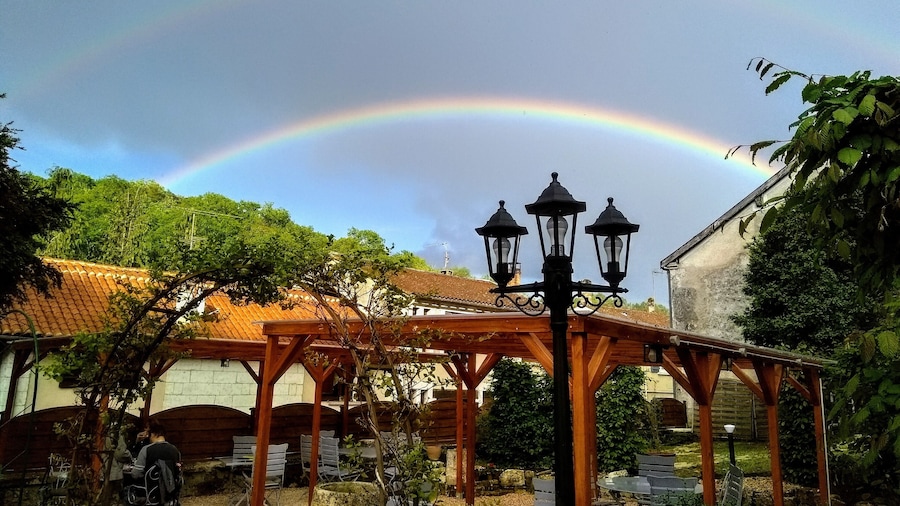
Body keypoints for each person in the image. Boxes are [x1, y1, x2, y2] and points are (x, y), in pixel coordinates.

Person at [131, 419, 181, 503]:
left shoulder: (146, 450)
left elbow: (136, 474)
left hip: (150, 495)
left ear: (152, 434)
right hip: (170, 494)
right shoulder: (175, 450)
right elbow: (177, 474)